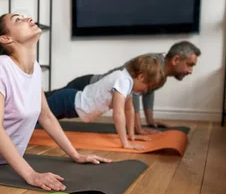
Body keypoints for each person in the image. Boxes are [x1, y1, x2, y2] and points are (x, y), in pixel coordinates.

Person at [0, 13, 112, 192]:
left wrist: (76, 155)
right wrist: (31, 174)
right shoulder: (0, 66)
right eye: (18, 20)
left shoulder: (35, 68)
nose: (29, 19)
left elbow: (46, 116)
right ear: (6, 38)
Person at [46, 41, 201, 134]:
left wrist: (150, 121)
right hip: (86, 85)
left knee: (51, 114)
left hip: (89, 94)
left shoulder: (160, 75)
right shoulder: (153, 63)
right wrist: (137, 129)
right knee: (44, 105)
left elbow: (148, 94)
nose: (190, 71)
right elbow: (132, 93)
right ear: (175, 59)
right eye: (190, 65)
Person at [45, 54, 166, 150]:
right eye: (147, 86)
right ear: (140, 77)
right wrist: (125, 144)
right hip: (68, 101)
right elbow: (118, 114)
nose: (146, 90)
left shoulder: (128, 83)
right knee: (36, 115)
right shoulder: (123, 80)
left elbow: (129, 109)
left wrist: (132, 136)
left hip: (74, 108)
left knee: (42, 119)